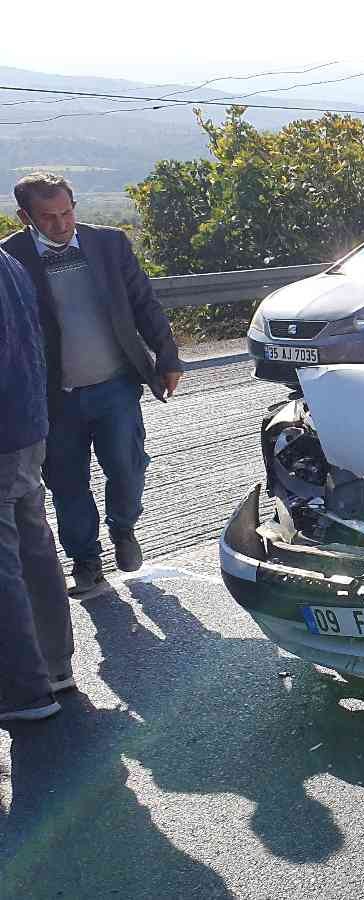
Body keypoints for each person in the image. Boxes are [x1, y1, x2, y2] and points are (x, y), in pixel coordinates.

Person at [2, 173, 183, 596]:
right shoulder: (10, 258)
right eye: (48, 218)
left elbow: (143, 302)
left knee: (127, 465)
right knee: (66, 483)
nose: (62, 224)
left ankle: (123, 527)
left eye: (67, 212)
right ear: (25, 216)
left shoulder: (108, 243)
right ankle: (85, 561)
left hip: (115, 387)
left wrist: (167, 355)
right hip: (52, 399)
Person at [1, 245, 75, 723]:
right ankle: (54, 668)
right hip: (27, 426)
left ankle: (22, 691)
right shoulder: (9, 263)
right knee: (34, 546)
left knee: (5, 561)